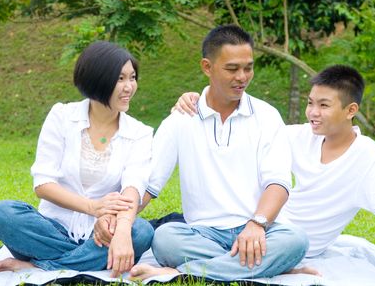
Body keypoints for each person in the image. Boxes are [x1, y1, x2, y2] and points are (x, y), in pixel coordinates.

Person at [172, 64, 375, 286]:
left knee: (286, 243)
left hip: (291, 244)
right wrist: (200, 99)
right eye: (310, 103)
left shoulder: (366, 155)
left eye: (323, 105)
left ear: (350, 110)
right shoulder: (300, 136)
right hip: (252, 224)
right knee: (168, 234)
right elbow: (247, 130)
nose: (313, 112)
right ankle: (256, 263)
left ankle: (182, 271)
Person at [100, 24, 308, 281]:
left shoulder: (266, 116)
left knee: (296, 240)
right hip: (201, 235)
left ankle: (178, 272)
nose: (242, 76)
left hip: (257, 228)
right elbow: (147, 185)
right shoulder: (182, 119)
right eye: (232, 69)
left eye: (248, 67)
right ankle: (258, 264)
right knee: (165, 239)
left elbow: (278, 183)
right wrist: (119, 222)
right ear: (207, 67)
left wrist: (257, 224)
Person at [0, 41, 155, 278]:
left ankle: (40, 266)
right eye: (120, 79)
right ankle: (83, 261)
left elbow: (133, 187)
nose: (129, 87)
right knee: (3, 213)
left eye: (132, 78)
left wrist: (121, 230)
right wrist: (93, 207)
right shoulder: (62, 116)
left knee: (141, 232)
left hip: (103, 234)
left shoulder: (140, 133)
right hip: (50, 229)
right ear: (97, 79)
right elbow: (43, 185)